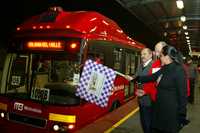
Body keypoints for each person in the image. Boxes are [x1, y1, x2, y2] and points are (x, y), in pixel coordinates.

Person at [136, 45, 188, 133]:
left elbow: (182, 94)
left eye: (161, 56)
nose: (159, 58)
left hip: (171, 112)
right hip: (160, 108)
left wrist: (182, 114)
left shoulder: (179, 70)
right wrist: (137, 79)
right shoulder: (165, 68)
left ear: (167, 56)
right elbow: (152, 77)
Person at [135, 48, 158, 133]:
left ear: (150, 54)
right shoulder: (140, 65)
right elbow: (137, 77)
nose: (142, 56)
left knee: (149, 123)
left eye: (144, 54)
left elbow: (155, 83)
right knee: (143, 122)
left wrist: (146, 91)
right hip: (141, 99)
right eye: (141, 54)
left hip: (150, 100)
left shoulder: (154, 65)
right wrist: (131, 78)